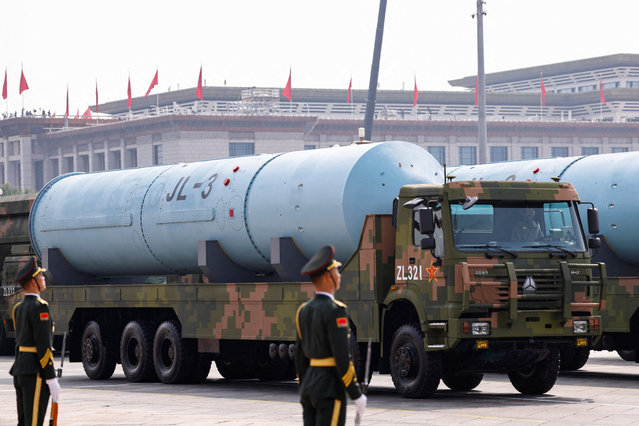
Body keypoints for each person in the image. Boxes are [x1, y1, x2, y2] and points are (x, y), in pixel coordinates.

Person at [295, 245, 366, 426]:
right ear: (329, 277)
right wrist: (356, 394)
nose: (339, 275)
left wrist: (305, 387)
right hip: (329, 389)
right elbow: (343, 358)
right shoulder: (335, 311)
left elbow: (300, 358)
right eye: (336, 271)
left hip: (309, 388)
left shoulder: (303, 311)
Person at [10, 257, 61, 426]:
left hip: (20, 370)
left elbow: (20, 341)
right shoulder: (40, 307)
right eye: (40, 276)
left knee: (24, 422)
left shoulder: (18, 307)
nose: (43, 279)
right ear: (33, 282)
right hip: (35, 373)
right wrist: (51, 377)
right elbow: (43, 345)